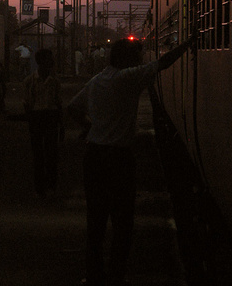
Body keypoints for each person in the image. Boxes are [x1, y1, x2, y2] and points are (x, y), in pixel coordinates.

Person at [68, 37, 192, 286]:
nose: (139, 61)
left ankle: (94, 276)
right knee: (123, 222)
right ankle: (116, 276)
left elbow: (72, 107)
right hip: (118, 159)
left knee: (96, 221)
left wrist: (89, 126)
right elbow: (162, 63)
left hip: (94, 156)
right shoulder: (128, 79)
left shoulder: (97, 80)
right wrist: (188, 43)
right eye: (136, 57)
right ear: (127, 59)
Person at [23, 48, 62, 198]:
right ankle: (41, 187)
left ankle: (50, 185)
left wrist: (61, 122)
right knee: (39, 154)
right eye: (48, 59)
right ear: (40, 61)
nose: (51, 62)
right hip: (38, 117)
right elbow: (27, 103)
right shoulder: (30, 81)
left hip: (49, 117)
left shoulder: (53, 81)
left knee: (51, 153)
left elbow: (58, 102)